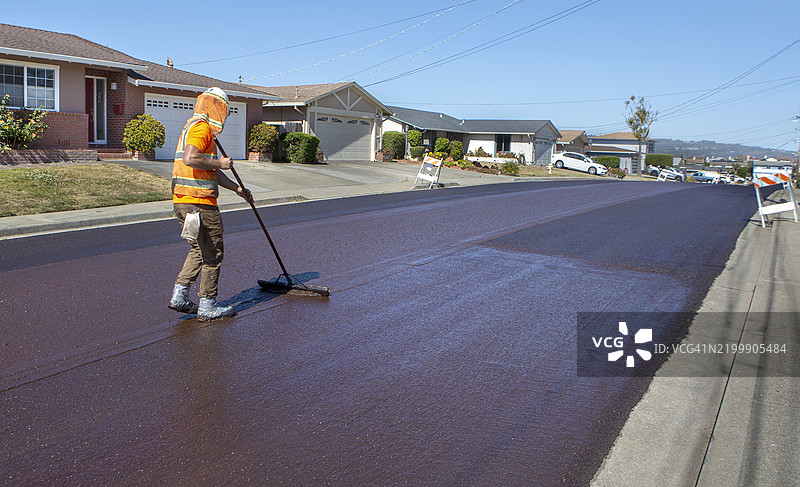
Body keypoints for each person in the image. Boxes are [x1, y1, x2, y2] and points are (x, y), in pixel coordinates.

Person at [168, 87, 252, 321]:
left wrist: (237, 189)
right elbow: (191, 158)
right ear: (216, 107)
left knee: (198, 249)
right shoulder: (202, 128)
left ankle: (180, 296)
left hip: (184, 202)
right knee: (213, 253)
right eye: (225, 109)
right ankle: (207, 304)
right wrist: (221, 162)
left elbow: (209, 170)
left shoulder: (190, 127)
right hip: (200, 204)